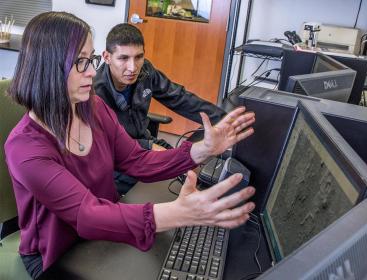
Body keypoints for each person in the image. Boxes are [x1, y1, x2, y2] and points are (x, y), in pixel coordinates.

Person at [4, 12, 256, 279]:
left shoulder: (93, 108)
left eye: (90, 59)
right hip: (55, 254)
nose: (92, 71)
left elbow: (137, 160)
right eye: (80, 62)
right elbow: (86, 215)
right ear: (48, 67)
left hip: (102, 233)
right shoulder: (25, 148)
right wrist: (177, 213)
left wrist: (201, 150)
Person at [94, 23, 227, 193]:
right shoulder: (94, 92)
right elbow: (105, 144)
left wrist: (223, 119)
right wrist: (148, 146)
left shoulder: (145, 71)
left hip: (144, 141)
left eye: (138, 57)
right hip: (117, 161)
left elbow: (179, 97)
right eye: (123, 58)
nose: (133, 67)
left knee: (191, 170)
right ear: (106, 57)